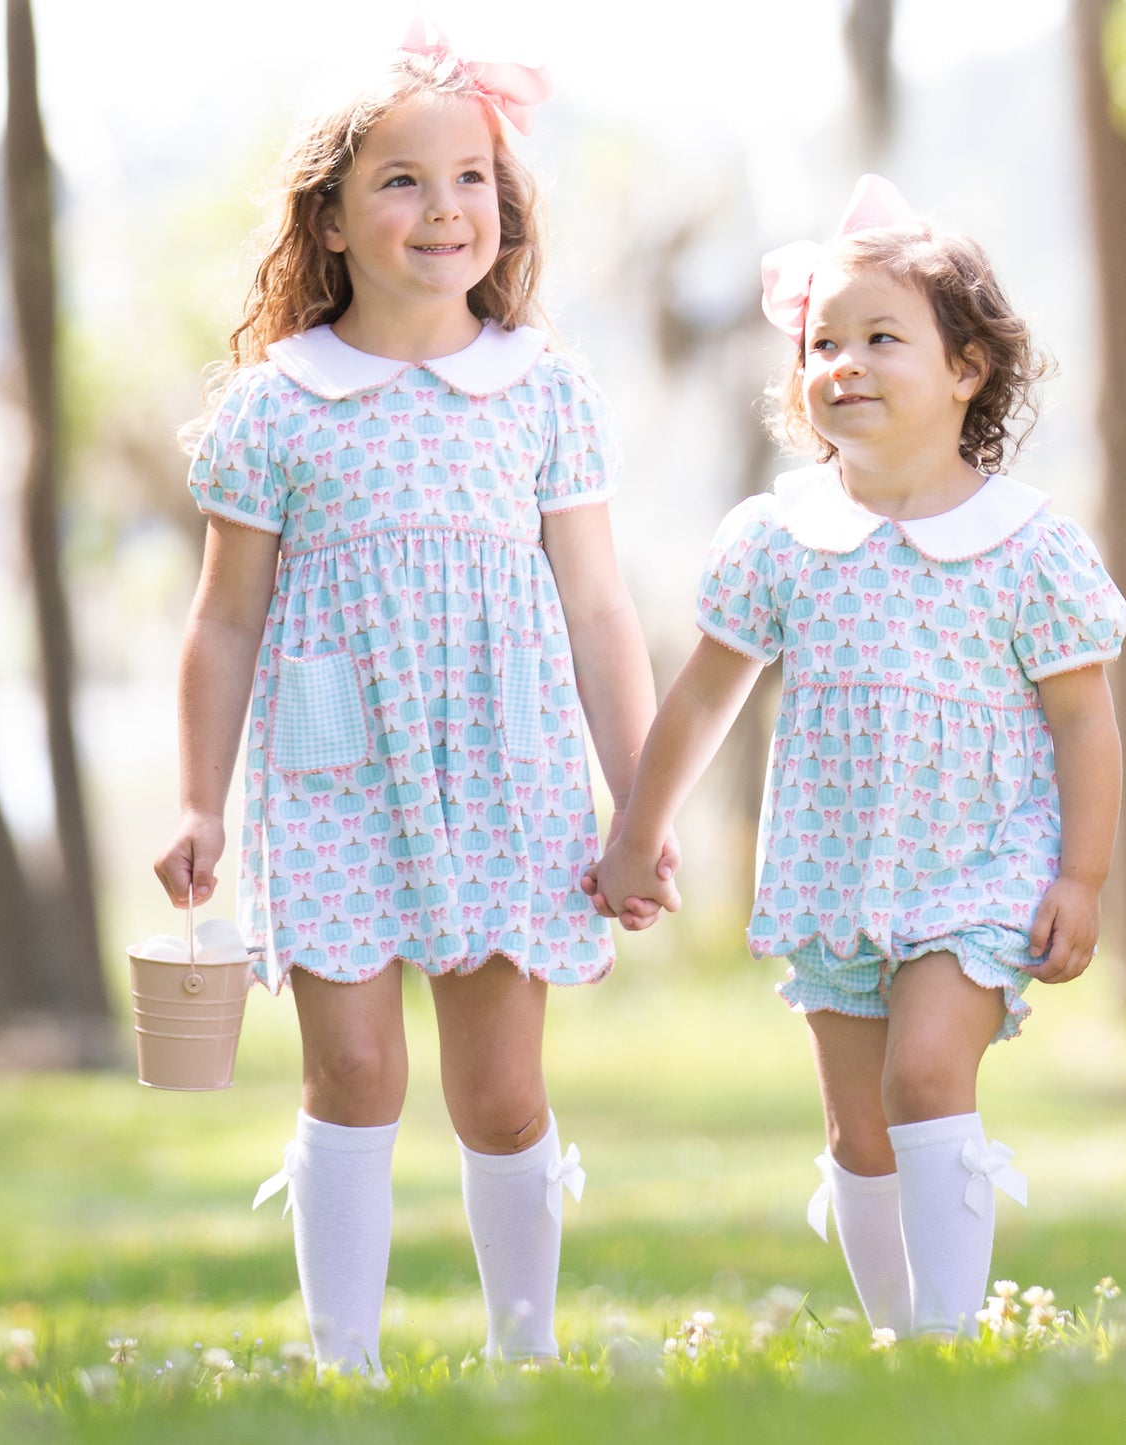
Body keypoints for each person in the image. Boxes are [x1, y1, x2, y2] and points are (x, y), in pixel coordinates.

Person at [155, 18, 669, 1373]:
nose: (444, 208)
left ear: (506, 207)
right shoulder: (279, 406)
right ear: (326, 219)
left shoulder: (541, 391)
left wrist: (637, 799)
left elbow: (601, 608)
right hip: (335, 774)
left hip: (512, 772)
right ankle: (344, 1364)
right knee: (356, 1077)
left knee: (501, 1096)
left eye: (472, 181)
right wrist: (201, 800)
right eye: (400, 180)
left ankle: (525, 1355)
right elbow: (221, 622)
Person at [592, 176, 1126, 1338]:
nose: (845, 361)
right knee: (854, 1129)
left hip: (980, 861)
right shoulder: (779, 538)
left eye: (882, 337)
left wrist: (1078, 877)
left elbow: (1084, 721)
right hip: (834, 867)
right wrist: (637, 829)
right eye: (821, 341)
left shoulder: (1026, 548)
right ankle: (899, 1340)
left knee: (926, 1075)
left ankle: (948, 1331)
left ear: (965, 370)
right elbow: (700, 698)